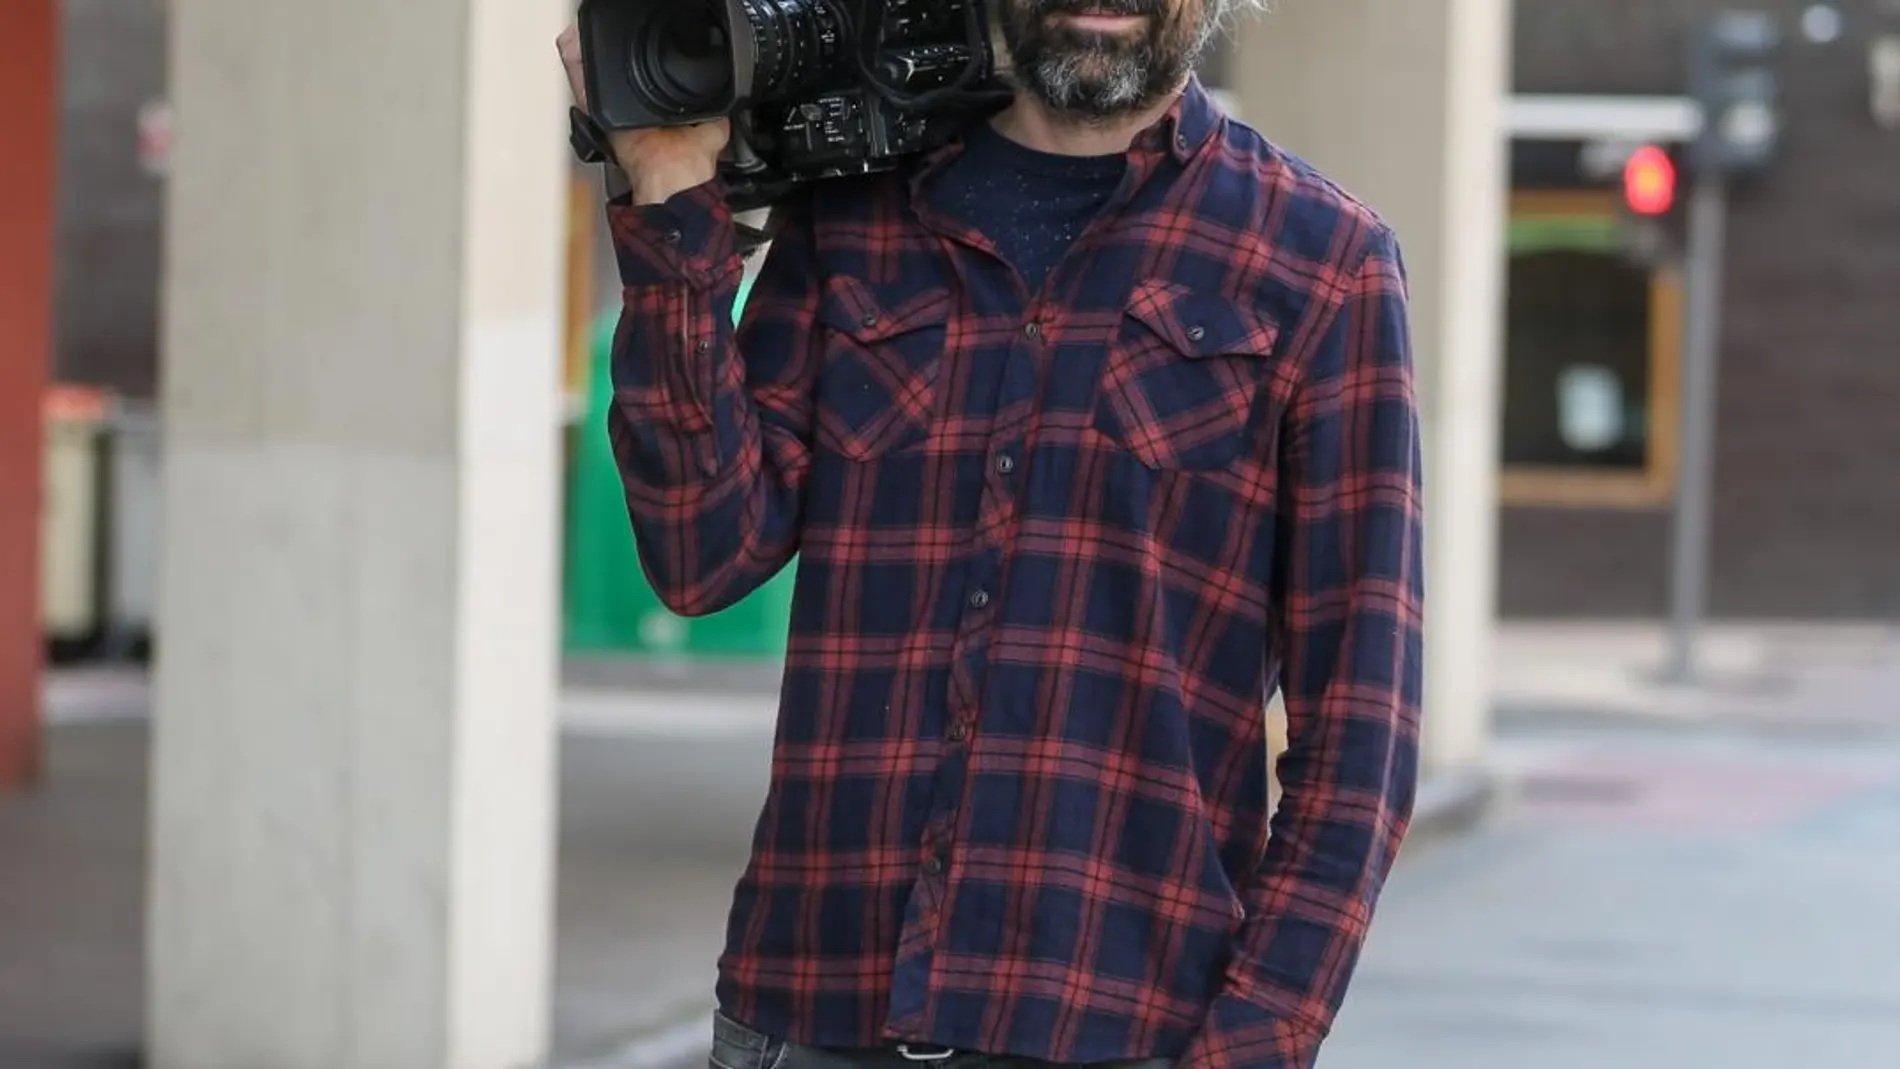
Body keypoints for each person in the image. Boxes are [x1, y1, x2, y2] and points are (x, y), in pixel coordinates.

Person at [557, 1, 1422, 1067]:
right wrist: (667, 184)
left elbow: (1363, 736)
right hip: (813, 1013)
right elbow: (700, 553)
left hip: (1121, 1026)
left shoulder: (1323, 263)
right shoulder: (852, 216)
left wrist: (1257, 1038)